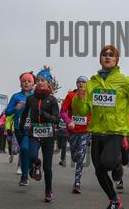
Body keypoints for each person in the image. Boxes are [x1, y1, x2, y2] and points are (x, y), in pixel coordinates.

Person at [72, 45, 129, 209]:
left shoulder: (125, 81)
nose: (107, 57)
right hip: (97, 131)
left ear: (116, 60)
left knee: (107, 163)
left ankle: (117, 165)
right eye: (104, 54)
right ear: (100, 59)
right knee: (99, 170)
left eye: (111, 55)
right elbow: (82, 111)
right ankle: (114, 201)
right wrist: (79, 98)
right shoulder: (91, 83)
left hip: (115, 131)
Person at [20, 69, 60, 202]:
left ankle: (48, 191)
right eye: (38, 80)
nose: (40, 82)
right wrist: (22, 127)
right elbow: (24, 114)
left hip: (48, 135)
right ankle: (37, 163)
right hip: (34, 132)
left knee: (47, 167)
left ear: (48, 83)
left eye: (43, 80)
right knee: (31, 155)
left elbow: (56, 119)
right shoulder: (31, 98)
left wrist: (43, 114)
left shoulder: (52, 100)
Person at [60, 75, 91, 193]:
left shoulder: (90, 96)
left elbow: (95, 112)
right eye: (79, 82)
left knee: (81, 155)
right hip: (72, 130)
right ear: (76, 84)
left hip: (85, 131)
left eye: (83, 82)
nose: (81, 84)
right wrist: (69, 121)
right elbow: (63, 112)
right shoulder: (70, 96)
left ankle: (77, 182)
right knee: (75, 156)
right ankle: (75, 156)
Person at [5, 72, 34, 185]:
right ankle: (29, 168)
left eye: (29, 81)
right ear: (21, 84)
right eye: (24, 81)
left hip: (31, 129)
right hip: (18, 128)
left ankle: (24, 176)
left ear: (33, 84)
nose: (26, 83)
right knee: (24, 151)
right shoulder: (16, 96)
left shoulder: (35, 96)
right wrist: (16, 108)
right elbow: (7, 112)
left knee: (25, 149)